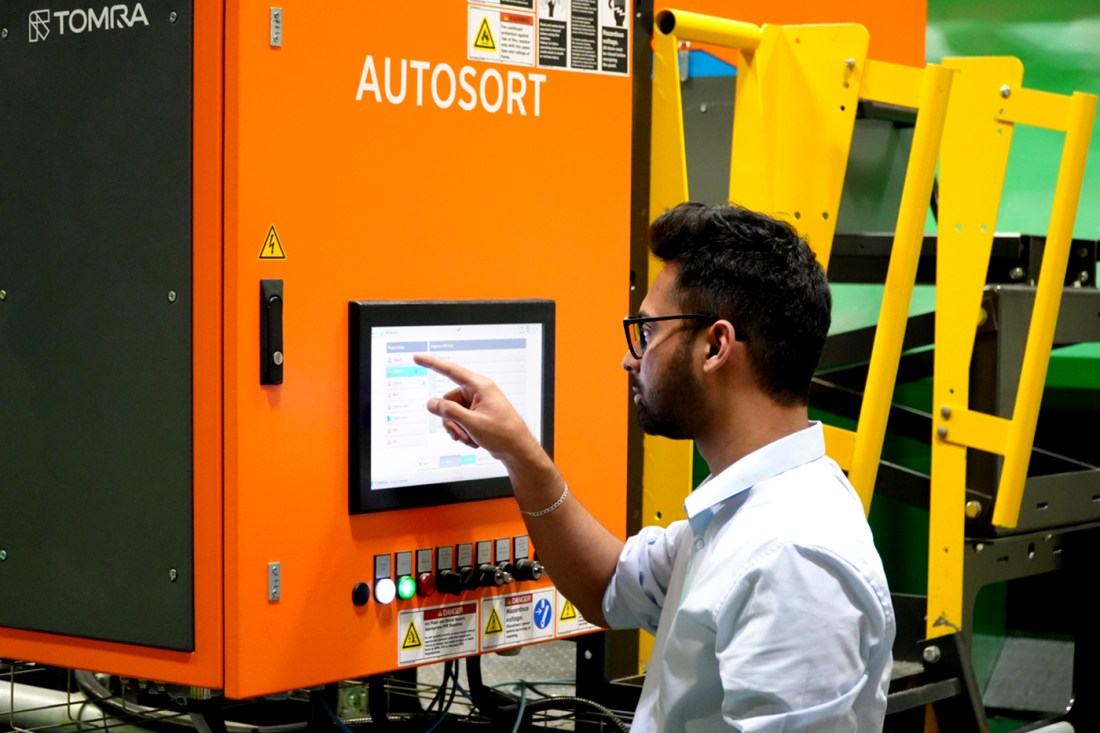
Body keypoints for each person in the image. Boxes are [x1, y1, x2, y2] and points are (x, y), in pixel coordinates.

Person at [414, 202, 895, 732]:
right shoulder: (743, 510)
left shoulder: (792, 559)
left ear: (715, 346)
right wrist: (522, 456)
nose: (629, 358)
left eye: (646, 332)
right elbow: (609, 586)